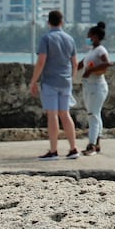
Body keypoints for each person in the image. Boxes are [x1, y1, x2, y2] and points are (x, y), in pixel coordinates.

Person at [30, 9, 80, 159]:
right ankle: (73, 148)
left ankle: (53, 150)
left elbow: (41, 61)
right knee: (65, 114)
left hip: (50, 81)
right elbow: (75, 63)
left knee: (52, 115)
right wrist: (71, 77)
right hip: (65, 81)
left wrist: (33, 81)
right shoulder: (70, 39)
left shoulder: (46, 39)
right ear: (62, 22)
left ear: (48, 22)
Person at [77, 21, 112, 155]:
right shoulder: (92, 52)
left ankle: (91, 145)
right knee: (94, 114)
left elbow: (107, 63)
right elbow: (80, 64)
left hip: (97, 87)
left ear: (95, 37)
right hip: (89, 86)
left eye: (90, 36)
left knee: (93, 115)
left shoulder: (101, 50)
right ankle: (97, 143)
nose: (88, 39)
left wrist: (91, 70)